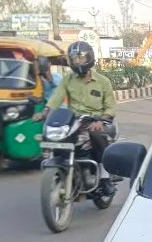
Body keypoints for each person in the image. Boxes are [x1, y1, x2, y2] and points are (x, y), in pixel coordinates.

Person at [45, 41, 118, 196]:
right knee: (56, 136)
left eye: (80, 58)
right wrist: (45, 112)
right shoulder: (67, 80)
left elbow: (111, 107)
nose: (77, 62)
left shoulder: (103, 82)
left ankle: (105, 177)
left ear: (89, 58)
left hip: (99, 121)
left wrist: (100, 120)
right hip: (75, 121)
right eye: (74, 59)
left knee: (96, 134)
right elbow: (56, 98)